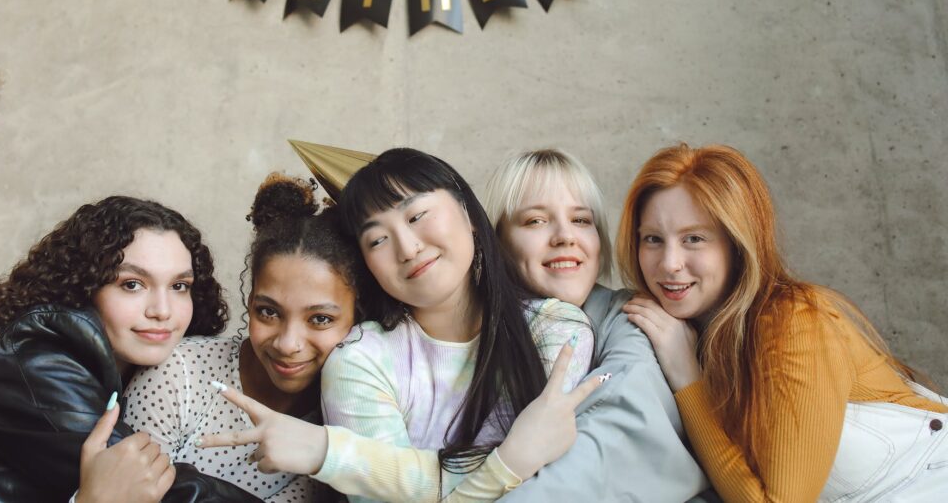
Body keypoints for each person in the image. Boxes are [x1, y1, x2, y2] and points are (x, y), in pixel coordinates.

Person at [198, 147, 603, 502]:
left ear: (468, 213)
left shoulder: (556, 331)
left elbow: (550, 489)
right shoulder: (359, 358)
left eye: (417, 216)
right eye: (377, 240)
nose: (408, 248)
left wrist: (337, 456)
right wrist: (512, 459)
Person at [619, 143, 948, 501]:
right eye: (653, 239)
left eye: (694, 239)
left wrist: (688, 379)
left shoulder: (795, 322)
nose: (669, 263)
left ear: (737, 244)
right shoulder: (685, 333)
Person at [0, 196, 258, 502]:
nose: (162, 310)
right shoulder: (34, 359)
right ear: (84, 286)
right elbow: (156, 487)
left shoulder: (139, 369)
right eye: (132, 285)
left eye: (179, 286)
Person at [484, 148, 711, 502]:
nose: (565, 236)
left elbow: (607, 447)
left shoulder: (636, 320)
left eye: (581, 220)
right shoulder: (471, 332)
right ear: (497, 243)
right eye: (535, 221)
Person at [123, 174, 364, 501]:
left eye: (320, 319)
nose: (287, 343)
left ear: (358, 318)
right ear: (249, 303)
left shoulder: (353, 421)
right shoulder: (178, 376)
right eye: (269, 312)